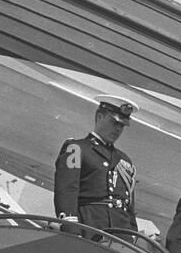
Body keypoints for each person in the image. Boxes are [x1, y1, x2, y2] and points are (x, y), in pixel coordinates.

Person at [54, 94, 141, 235]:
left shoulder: (125, 161)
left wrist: (133, 236)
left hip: (121, 234)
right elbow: (66, 191)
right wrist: (71, 229)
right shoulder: (77, 149)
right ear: (99, 117)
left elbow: (129, 207)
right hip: (90, 229)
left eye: (122, 125)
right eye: (114, 122)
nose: (118, 129)